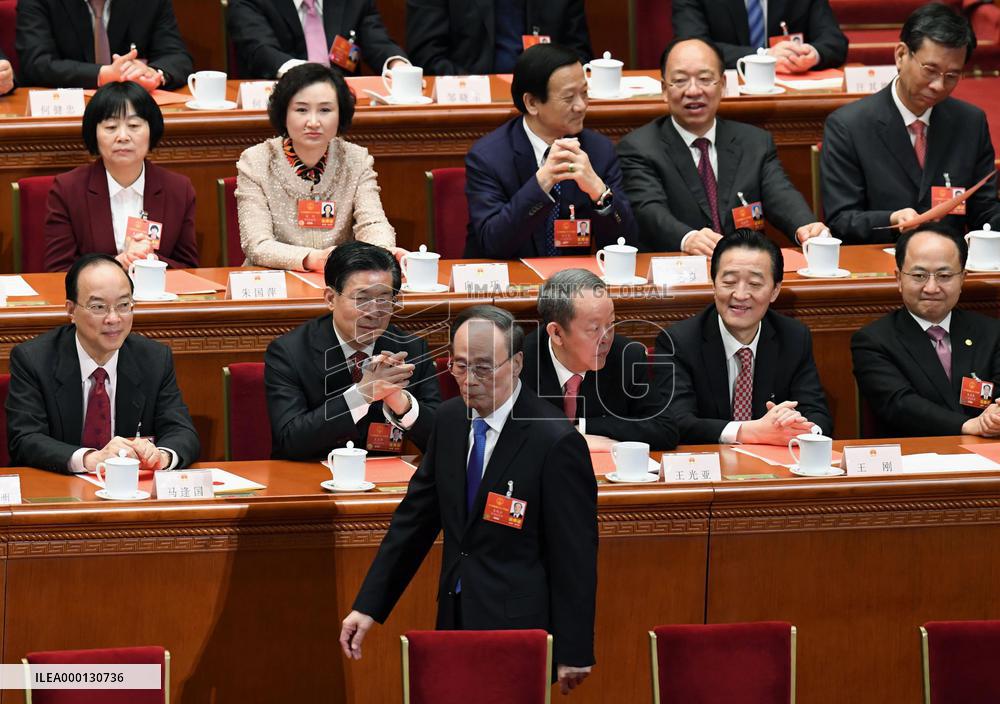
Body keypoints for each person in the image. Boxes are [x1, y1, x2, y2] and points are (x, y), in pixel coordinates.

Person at [339, 305, 597, 696]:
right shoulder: (448, 421)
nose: (469, 380)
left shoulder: (555, 441)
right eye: (459, 367)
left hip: (518, 629)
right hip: (455, 616)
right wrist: (368, 605)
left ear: (516, 363)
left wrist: (573, 647)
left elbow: (574, 555)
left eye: (483, 368)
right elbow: (414, 522)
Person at [618, 38, 826, 254]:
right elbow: (649, 210)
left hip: (746, 266)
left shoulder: (754, 142)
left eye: (705, 79)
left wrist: (805, 227)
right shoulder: (639, 148)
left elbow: (781, 195)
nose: (693, 90)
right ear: (664, 89)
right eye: (680, 81)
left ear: (723, 85)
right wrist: (687, 239)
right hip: (679, 265)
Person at [821, 3, 1000, 244]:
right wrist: (893, 220)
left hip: (950, 260)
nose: (938, 85)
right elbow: (841, 220)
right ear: (901, 55)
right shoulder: (849, 126)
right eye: (930, 70)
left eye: (951, 76)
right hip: (879, 256)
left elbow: (985, 210)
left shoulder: (970, 122)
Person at [5, 254, 200, 474]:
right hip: (58, 485)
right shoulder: (34, 360)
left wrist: (161, 456)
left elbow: (182, 431)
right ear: (71, 310)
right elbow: (25, 439)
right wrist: (91, 459)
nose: (114, 318)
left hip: (130, 488)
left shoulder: (154, 359)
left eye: (124, 305)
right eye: (98, 307)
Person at [265, 242, 440, 460]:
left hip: (387, 475)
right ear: (330, 298)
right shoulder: (289, 352)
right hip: (314, 474)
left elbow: (443, 441)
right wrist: (361, 395)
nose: (373, 312)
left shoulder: (410, 348)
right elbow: (290, 440)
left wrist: (403, 405)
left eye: (384, 299)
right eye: (362, 299)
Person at [654, 230, 832, 444]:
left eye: (754, 284)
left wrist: (799, 428)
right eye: (729, 281)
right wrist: (750, 432)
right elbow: (676, 421)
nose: (740, 295)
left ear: (775, 290)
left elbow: (817, 415)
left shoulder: (794, 337)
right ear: (713, 284)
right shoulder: (678, 342)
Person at [464, 43, 637, 259]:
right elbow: (493, 244)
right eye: (568, 98)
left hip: (572, 278)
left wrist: (599, 192)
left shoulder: (598, 151)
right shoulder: (489, 157)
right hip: (510, 276)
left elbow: (625, 242)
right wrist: (542, 183)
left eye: (584, 93)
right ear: (532, 103)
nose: (581, 106)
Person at [237, 63, 396, 271]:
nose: (313, 122)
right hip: (275, 278)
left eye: (325, 110)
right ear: (284, 114)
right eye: (301, 110)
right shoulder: (255, 161)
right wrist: (313, 259)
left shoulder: (356, 159)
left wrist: (383, 252)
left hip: (338, 278)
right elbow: (257, 244)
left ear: (340, 114)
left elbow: (373, 224)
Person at [852, 223, 1000, 438]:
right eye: (919, 276)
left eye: (944, 276)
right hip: (913, 451)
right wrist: (968, 425)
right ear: (899, 279)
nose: (931, 288)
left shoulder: (992, 333)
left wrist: (995, 416)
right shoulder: (873, 341)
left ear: (962, 279)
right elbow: (899, 404)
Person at [44, 81, 199, 272]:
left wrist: (148, 260)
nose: (123, 136)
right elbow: (58, 270)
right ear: (94, 133)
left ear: (152, 130)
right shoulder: (68, 189)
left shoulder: (178, 189)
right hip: (96, 292)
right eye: (111, 127)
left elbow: (188, 268)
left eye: (134, 125)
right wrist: (116, 264)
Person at [520, 269, 679, 450]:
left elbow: (665, 429)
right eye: (594, 328)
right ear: (557, 333)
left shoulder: (627, 356)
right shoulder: (520, 363)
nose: (606, 338)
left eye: (611, 323)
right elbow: (507, 433)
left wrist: (586, 428)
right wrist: (566, 437)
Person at [16, 0, 192, 89]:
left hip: (131, 109)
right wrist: (103, 75)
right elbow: (36, 63)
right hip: (66, 108)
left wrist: (154, 74)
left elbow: (176, 56)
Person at [228, 0, 409, 79]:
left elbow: (377, 40)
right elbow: (260, 50)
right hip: (278, 109)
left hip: (345, 109)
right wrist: (312, 77)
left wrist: (398, 66)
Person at [406, 0, 592, 75]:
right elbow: (427, 57)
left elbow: (579, 55)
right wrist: (480, 89)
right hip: (469, 106)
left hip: (547, 105)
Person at [672, 0, 847, 72]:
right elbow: (691, 46)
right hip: (724, 90)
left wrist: (812, 54)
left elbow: (835, 41)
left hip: (788, 91)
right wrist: (764, 56)